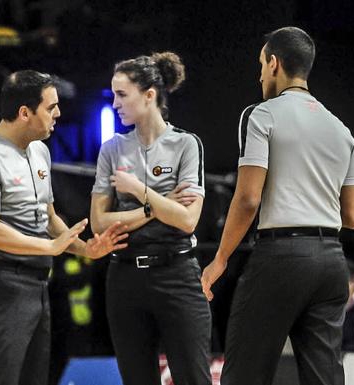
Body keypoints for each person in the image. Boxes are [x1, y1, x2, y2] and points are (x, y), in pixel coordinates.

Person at [201, 26, 354, 385]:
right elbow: (352, 216)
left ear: (274, 63)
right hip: (332, 261)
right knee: (325, 377)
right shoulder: (342, 129)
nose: (259, 74)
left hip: (282, 258)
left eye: (261, 64)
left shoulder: (262, 115)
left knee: (244, 373)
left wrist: (221, 258)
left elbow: (247, 199)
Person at [0, 70, 128, 385]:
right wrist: (51, 247)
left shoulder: (40, 151)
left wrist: (83, 248)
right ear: (25, 112)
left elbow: (48, 218)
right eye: (51, 107)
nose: (59, 114)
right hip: (1, 284)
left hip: (38, 284)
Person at [90, 52, 211, 385]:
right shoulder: (112, 149)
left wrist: (139, 191)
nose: (114, 103)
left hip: (177, 274)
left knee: (193, 378)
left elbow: (187, 220)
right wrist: (154, 206)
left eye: (121, 95)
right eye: (113, 94)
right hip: (124, 278)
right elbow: (99, 222)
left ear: (149, 95)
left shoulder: (186, 144)